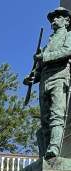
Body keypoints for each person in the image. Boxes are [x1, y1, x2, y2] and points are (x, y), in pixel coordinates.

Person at [25, 6, 71, 159]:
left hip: (59, 77)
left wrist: (43, 56)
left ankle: (54, 149)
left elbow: (67, 52)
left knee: (57, 114)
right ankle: (45, 153)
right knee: (44, 120)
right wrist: (33, 76)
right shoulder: (48, 42)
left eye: (58, 16)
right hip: (44, 81)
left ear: (66, 20)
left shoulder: (69, 35)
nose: (54, 19)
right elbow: (40, 66)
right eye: (53, 17)